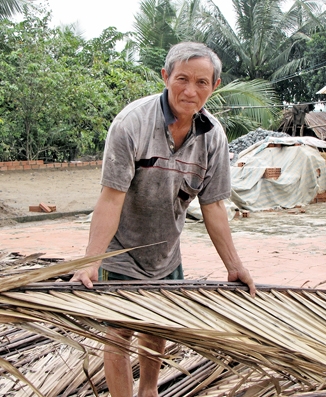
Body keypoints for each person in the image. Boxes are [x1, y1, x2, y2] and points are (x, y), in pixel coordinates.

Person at [70, 41, 256, 397]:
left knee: (157, 324)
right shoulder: (132, 124)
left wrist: (235, 265)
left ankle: (150, 392)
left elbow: (214, 205)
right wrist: (91, 261)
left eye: (202, 82)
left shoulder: (213, 136)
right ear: (165, 76)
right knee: (120, 331)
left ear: (214, 86)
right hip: (120, 249)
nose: (191, 90)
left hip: (167, 250)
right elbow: (111, 198)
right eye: (182, 79)